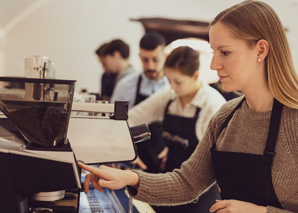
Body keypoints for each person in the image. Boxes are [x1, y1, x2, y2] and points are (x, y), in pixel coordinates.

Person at [79, 1, 298, 212]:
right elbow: (188, 183)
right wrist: (129, 178)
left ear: (260, 50)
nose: (213, 65)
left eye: (225, 52)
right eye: (213, 52)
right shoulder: (226, 117)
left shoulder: (294, 122)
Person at [127, 46, 225, 212]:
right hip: (170, 184)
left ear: (195, 76)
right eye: (169, 80)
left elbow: (220, 162)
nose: (172, 86)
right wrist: (123, 148)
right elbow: (132, 118)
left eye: (178, 82)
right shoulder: (169, 96)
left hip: (201, 193)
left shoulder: (212, 105)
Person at [111, 32, 169, 173]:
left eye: (155, 59)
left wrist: (172, 148)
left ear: (165, 56)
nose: (150, 66)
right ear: (139, 57)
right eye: (145, 60)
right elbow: (114, 124)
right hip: (133, 162)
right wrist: (121, 154)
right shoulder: (126, 85)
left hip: (166, 163)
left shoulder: (174, 87)